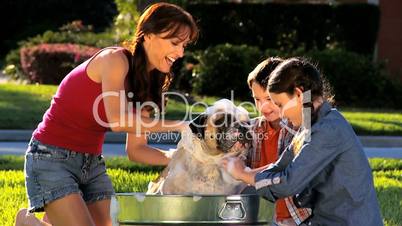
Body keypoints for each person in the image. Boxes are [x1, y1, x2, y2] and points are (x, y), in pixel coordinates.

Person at [15, 2, 198, 226]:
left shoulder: (150, 86)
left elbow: (136, 150)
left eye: (184, 45)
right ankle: (27, 221)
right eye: (175, 43)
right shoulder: (115, 60)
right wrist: (181, 125)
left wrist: (179, 158)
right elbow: (118, 120)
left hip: (91, 164)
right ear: (148, 35)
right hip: (50, 157)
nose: (180, 53)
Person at [223, 58, 383, 225]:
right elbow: (281, 165)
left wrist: (244, 174)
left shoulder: (329, 129)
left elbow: (288, 183)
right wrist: (243, 170)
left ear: (299, 95)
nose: (282, 114)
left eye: (280, 104)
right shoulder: (309, 126)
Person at [246, 57, 311, 226]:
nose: (263, 107)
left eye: (268, 99)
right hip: (261, 217)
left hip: (298, 218)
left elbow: (286, 171)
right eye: (257, 99)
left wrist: (241, 171)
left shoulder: (300, 129)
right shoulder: (251, 129)